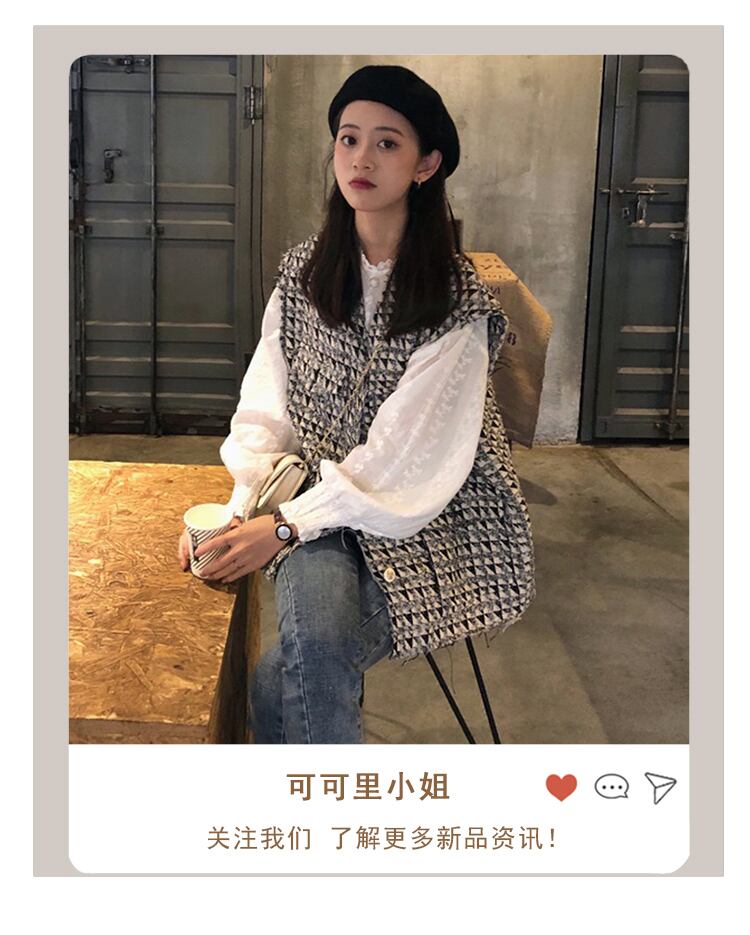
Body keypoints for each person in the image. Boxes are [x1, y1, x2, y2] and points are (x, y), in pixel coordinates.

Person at [178, 65, 536, 744]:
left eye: (387, 143)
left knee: (299, 660)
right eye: (348, 138)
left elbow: (406, 463)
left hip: (434, 515)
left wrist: (284, 527)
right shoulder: (304, 274)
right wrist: (240, 509)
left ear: (426, 165)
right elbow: (267, 406)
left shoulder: (455, 304)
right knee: (305, 654)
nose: (361, 159)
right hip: (320, 499)